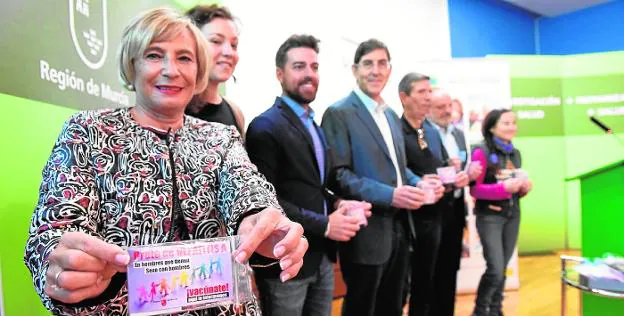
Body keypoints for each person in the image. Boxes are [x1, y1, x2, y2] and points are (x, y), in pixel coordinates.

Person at [23, 7, 307, 315]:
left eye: (184, 58)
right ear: (132, 65)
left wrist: (259, 219)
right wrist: (60, 265)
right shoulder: (87, 132)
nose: (171, 70)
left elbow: (247, 186)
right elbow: (52, 231)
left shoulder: (221, 137)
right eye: (155, 55)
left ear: (199, 71)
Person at [246, 34, 372, 316]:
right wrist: (325, 223)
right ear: (280, 74)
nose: (309, 74)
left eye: (314, 67)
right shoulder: (264, 127)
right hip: (285, 261)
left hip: (322, 258)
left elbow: (316, 185)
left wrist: (340, 203)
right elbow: (266, 202)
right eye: (299, 66)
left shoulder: (312, 123)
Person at [321, 39, 426, 316]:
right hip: (365, 233)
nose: (375, 71)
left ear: (389, 70)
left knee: (393, 306)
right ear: (355, 70)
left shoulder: (391, 115)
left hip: (401, 230)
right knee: (361, 308)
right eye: (368, 64)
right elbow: (337, 176)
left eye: (382, 64)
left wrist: (418, 183)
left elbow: (398, 169)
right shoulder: (339, 113)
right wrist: (390, 195)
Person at [470, 109, 532, 316]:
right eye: (506, 123)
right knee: (495, 269)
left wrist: (522, 188)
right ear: (492, 127)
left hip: (512, 215)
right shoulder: (481, 151)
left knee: (502, 268)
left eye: (513, 123)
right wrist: (503, 189)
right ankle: (480, 311)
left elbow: (514, 191)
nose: (511, 127)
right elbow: (474, 189)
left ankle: (496, 310)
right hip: (490, 217)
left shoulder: (515, 153)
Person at [426, 88, 482, 316]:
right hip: (432, 210)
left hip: (456, 209)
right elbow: (422, 169)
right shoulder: (423, 133)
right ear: (427, 109)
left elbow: (463, 165)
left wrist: (469, 174)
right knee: (431, 271)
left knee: (450, 268)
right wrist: (449, 174)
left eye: (449, 106)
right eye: (440, 107)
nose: (447, 111)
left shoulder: (458, 133)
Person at [397, 73, 450, 316]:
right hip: (406, 218)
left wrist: (448, 179)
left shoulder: (431, 129)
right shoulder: (395, 130)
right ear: (404, 97)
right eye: (422, 92)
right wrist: (419, 183)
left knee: (429, 281)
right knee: (403, 285)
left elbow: (441, 164)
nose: (428, 97)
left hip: (436, 215)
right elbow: (395, 169)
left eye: (430, 91)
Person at [185, 4, 246, 136]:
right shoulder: (174, 110)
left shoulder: (235, 112)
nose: (229, 52)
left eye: (234, 45)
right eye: (216, 41)